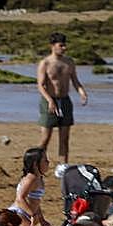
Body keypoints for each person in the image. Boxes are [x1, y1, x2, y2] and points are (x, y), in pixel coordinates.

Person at [35, 33, 88, 164]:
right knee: (46, 137)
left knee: (64, 137)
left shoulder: (69, 62)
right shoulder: (45, 63)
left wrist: (82, 93)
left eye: (65, 45)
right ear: (53, 46)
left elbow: (75, 81)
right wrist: (49, 100)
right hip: (49, 100)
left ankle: (63, 166)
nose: (64, 48)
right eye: (61, 45)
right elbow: (41, 85)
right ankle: (38, 162)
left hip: (64, 100)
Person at [9, 147, 51, 226]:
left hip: (25, 214)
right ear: (36, 164)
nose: (48, 162)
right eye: (45, 160)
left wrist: (41, 219)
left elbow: (34, 202)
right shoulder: (31, 179)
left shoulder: (38, 178)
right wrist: (33, 214)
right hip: (18, 214)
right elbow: (20, 199)